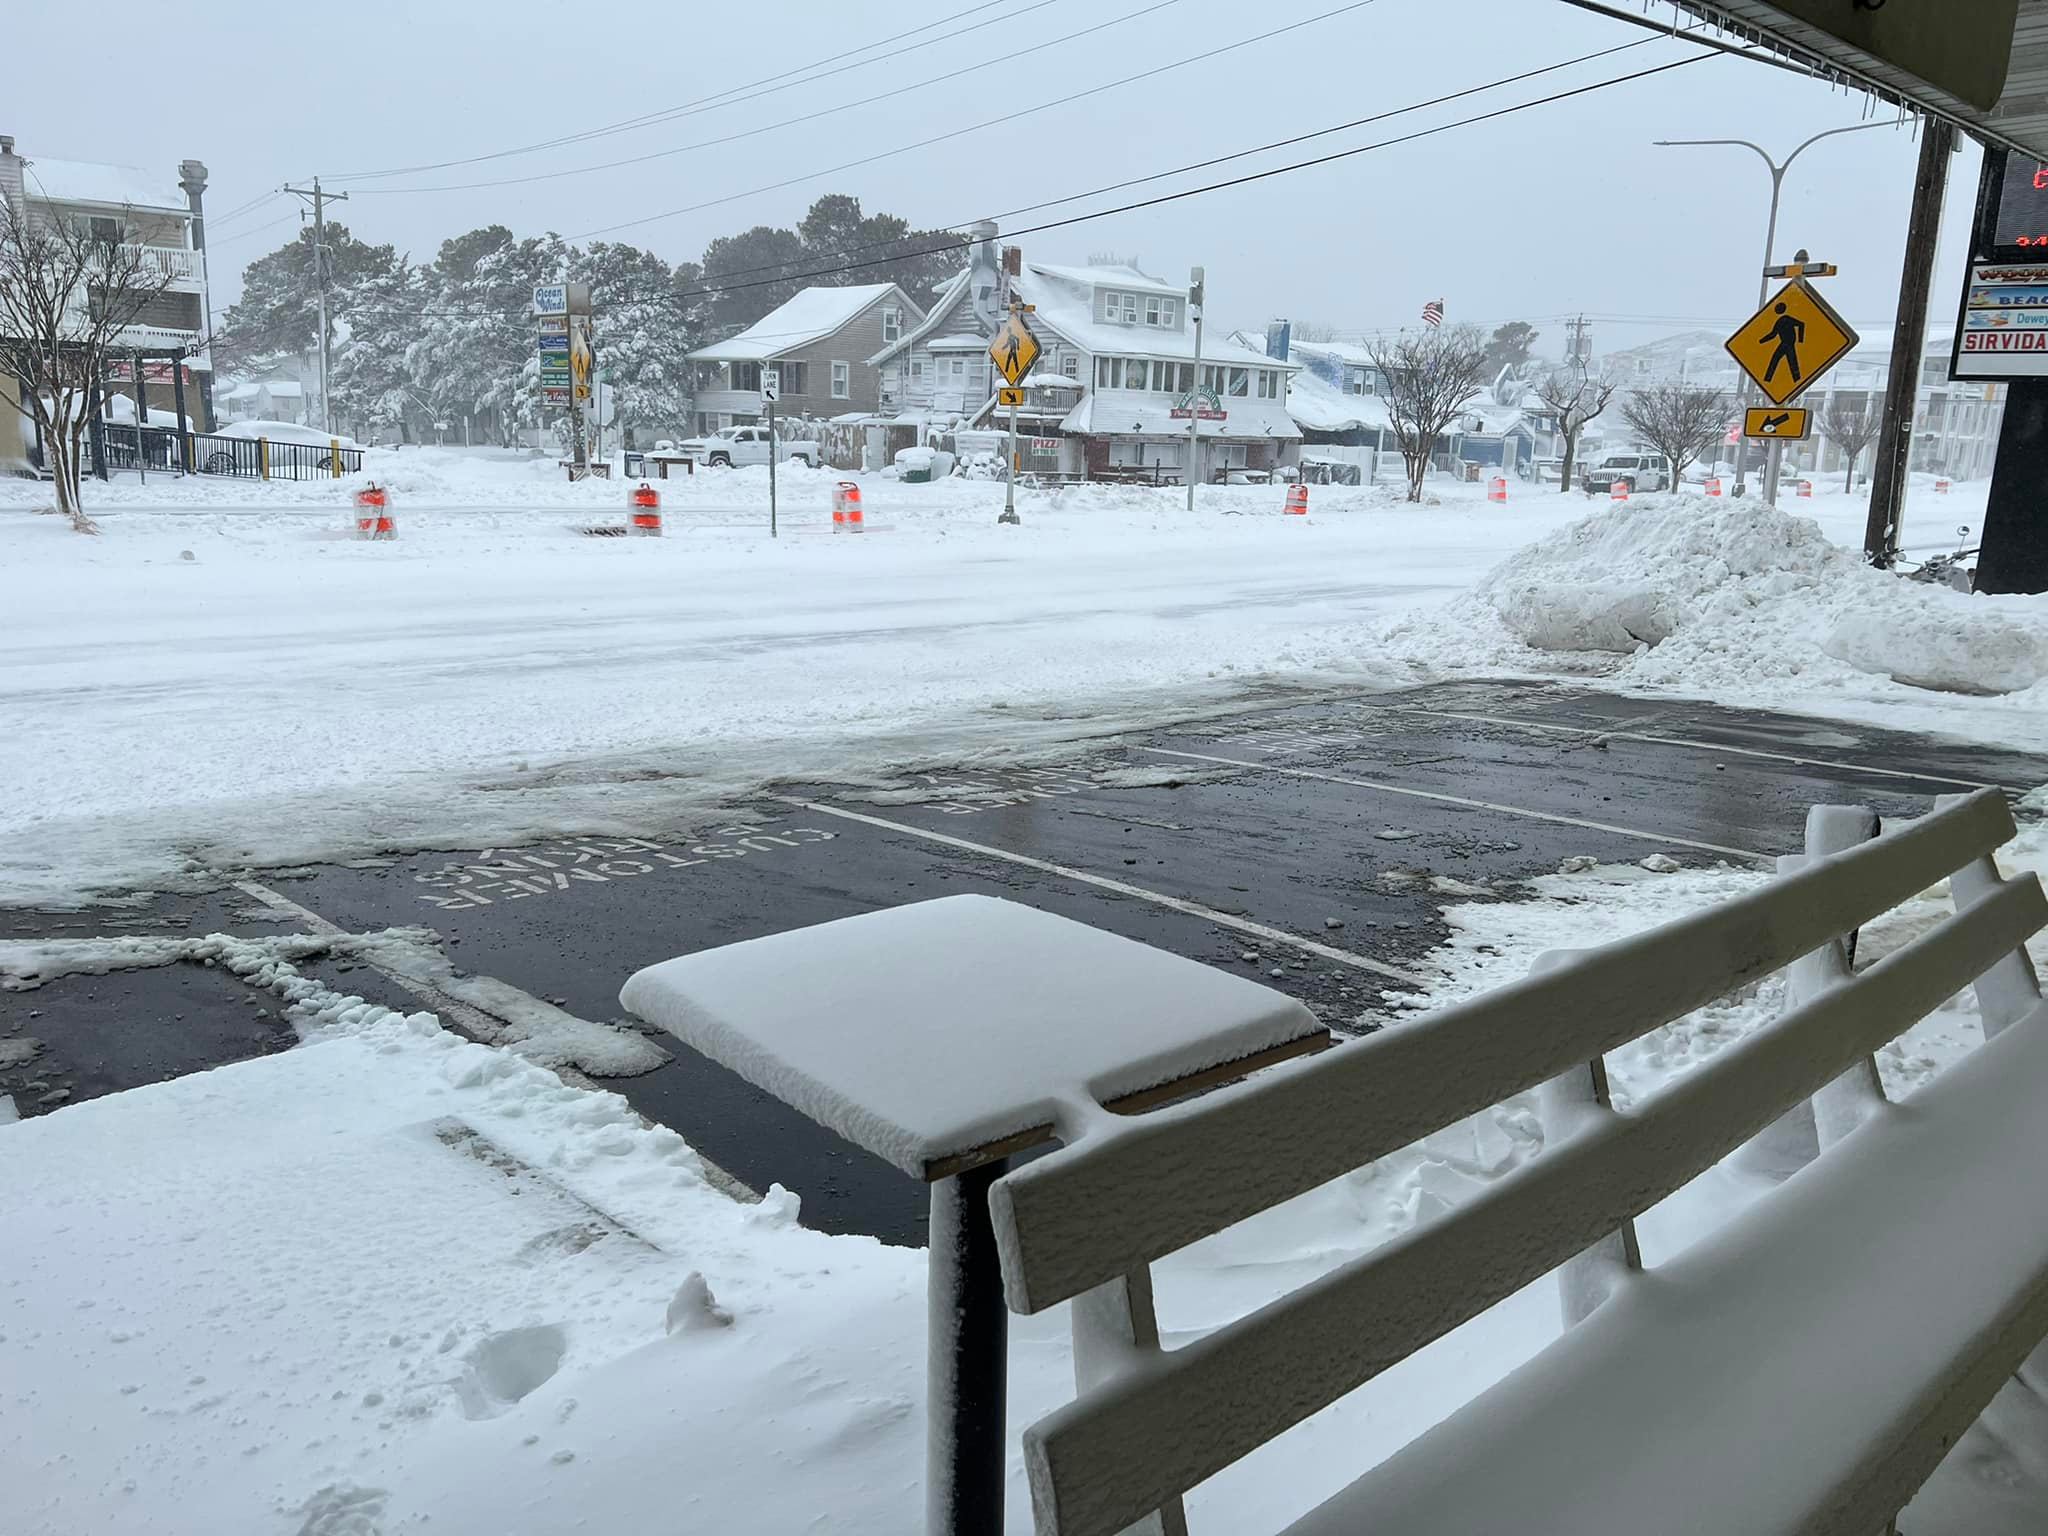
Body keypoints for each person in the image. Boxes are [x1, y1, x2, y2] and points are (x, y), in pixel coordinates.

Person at [1760, 301, 1805, 387]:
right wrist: (1761, 341)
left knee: (1790, 363)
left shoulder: (1786, 319)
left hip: (1788, 344)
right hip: (1784, 344)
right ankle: (1767, 380)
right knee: (1783, 362)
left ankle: (1797, 381)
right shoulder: (1780, 321)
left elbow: (1801, 324)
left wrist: (1800, 340)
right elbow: (1773, 334)